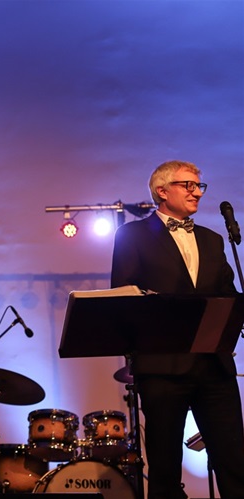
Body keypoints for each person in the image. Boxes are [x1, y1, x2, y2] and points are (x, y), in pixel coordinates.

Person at [111, 160, 244, 498]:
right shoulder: (132, 235)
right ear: (162, 191)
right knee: (165, 468)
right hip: (162, 366)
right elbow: (124, 295)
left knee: (235, 463)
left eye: (199, 186)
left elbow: (226, 295)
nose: (197, 192)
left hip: (214, 365)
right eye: (188, 185)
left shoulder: (213, 240)